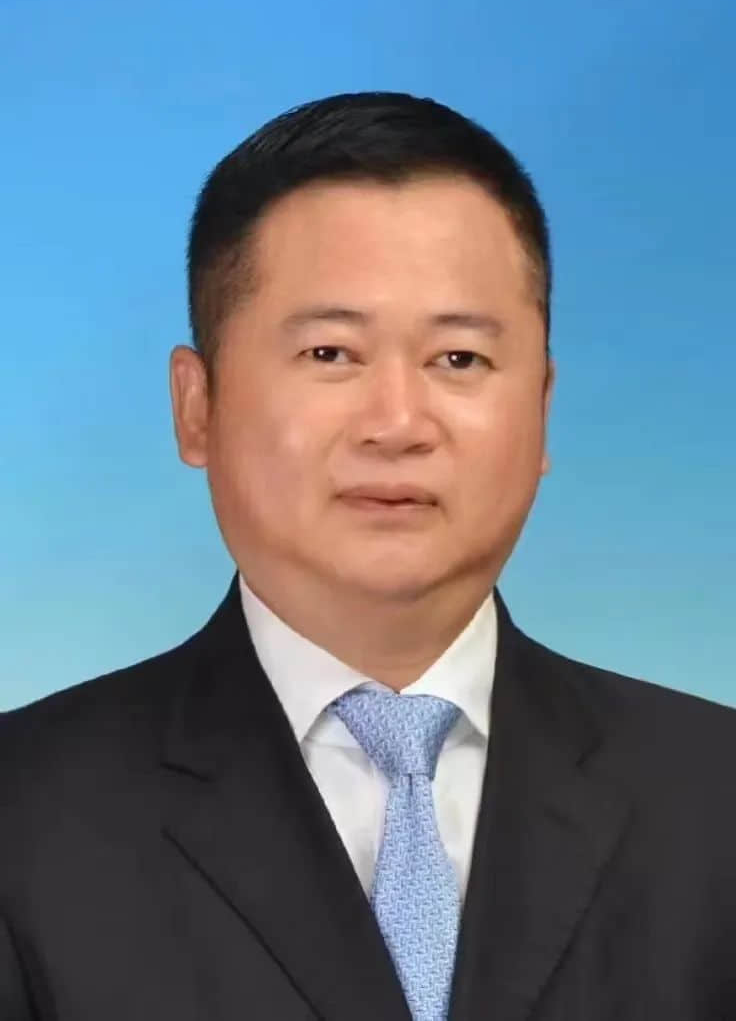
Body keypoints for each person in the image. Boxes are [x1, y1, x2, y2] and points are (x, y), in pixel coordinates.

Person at [1, 91, 735, 1021]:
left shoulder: (715, 800)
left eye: (459, 359)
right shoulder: (23, 814)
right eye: (330, 353)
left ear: (543, 407)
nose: (398, 423)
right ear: (197, 406)